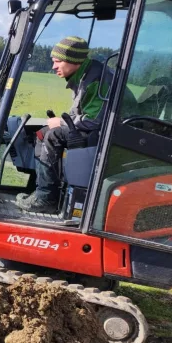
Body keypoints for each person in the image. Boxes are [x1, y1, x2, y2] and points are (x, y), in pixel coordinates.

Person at [17, 36, 109, 213]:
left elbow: (93, 119)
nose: (54, 67)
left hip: (103, 134)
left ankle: (46, 199)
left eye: (57, 61)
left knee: (52, 135)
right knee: (42, 133)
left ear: (73, 60)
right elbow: (81, 112)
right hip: (95, 130)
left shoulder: (96, 80)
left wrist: (60, 121)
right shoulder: (84, 75)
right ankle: (43, 191)